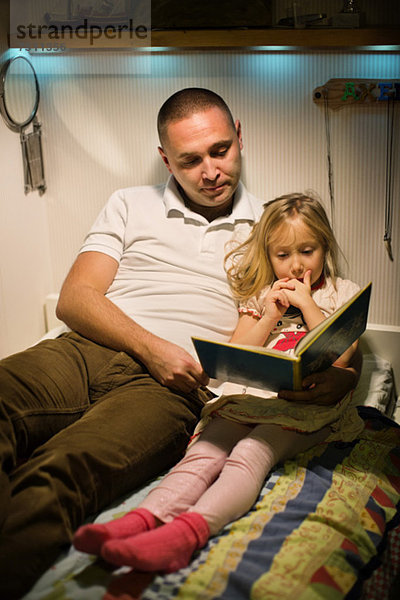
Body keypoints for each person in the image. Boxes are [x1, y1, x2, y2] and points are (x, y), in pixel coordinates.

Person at [0, 89, 361, 598]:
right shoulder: (129, 203)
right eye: (189, 160)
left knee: (61, 473)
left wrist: (343, 377)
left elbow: (330, 310)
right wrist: (150, 347)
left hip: (173, 388)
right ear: (165, 158)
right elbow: (75, 299)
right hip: (78, 350)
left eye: (220, 150)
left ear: (240, 136)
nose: (210, 171)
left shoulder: (273, 227)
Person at [72, 193, 365, 573]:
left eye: (307, 251)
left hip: (308, 407)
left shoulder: (341, 294)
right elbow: (235, 355)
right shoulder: (264, 295)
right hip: (254, 397)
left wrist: (308, 304)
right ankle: (140, 522)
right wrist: (270, 314)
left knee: (249, 454)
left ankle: (186, 535)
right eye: (282, 256)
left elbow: (343, 357)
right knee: (203, 452)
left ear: (324, 246)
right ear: (269, 256)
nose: (295, 266)